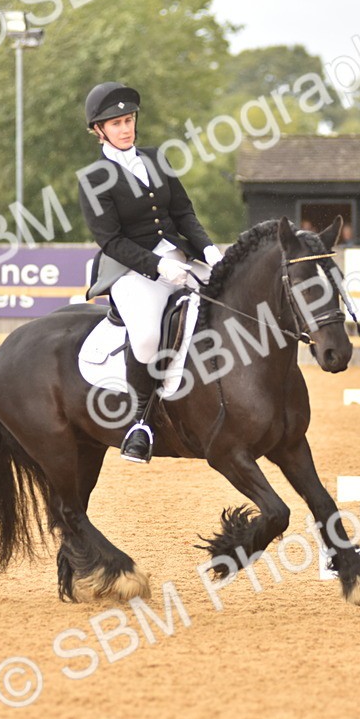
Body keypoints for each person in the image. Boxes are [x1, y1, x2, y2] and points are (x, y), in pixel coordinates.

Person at [77, 82, 223, 464]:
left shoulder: (157, 159)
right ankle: (138, 424)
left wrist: (209, 251)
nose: (125, 129)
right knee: (146, 337)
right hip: (129, 270)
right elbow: (110, 239)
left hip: (179, 257)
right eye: (116, 124)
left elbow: (183, 213)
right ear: (99, 130)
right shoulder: (93, 178)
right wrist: (157, 266)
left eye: (128, 120)